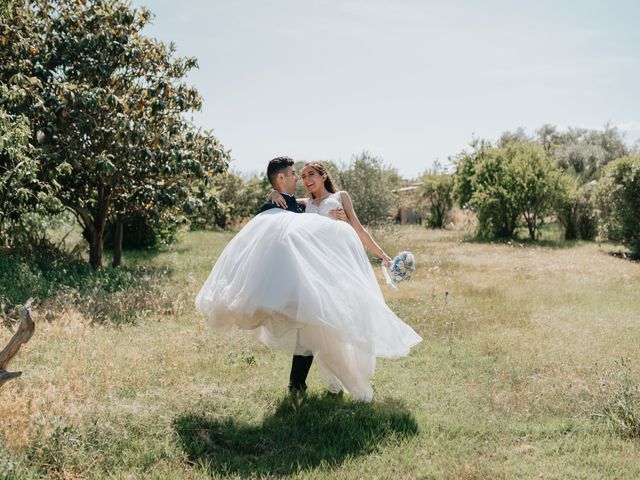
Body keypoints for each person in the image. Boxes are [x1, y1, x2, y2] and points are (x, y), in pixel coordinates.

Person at [195, 159, 421, 402]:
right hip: (314, 275)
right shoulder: (305, 205)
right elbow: (277, 210)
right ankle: (298, 385)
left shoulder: (341, 198)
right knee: (313, 326)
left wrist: (383, 256)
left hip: (335, 272)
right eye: (301, 176)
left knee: (335, 327)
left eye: (310, 174)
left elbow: (359, 229)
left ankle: (328, 378)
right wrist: (272, 191)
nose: (305, 179)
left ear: (323, 175)